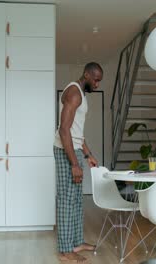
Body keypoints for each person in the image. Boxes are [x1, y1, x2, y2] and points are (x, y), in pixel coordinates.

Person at [53, 62, 103, 263]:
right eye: (96, 80)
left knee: (76, 200)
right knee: (66, 200)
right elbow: (64, 130)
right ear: (87, 74)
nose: (97, 84)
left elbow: (76, 133)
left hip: (73, 149)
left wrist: (88, 154)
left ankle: (76, 242)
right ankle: (66, 251)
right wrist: (74, 163)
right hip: (65, 151)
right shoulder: (74, 93)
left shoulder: (81, 94)